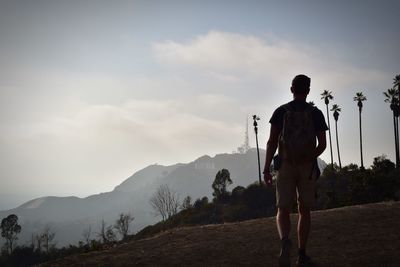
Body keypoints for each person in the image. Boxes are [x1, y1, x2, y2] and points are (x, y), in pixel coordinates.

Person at [263, 74, 328, 267]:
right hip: (306, 167)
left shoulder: (280, 112)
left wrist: (267, 169)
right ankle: (302, 254)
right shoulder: (315, 113)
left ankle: (285, 241)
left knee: (283, 208)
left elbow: (272, 141)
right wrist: (308, 158)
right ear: (308, 90)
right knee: (304, 210)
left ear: (292, 89)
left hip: (285, 165)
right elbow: (322, 144)